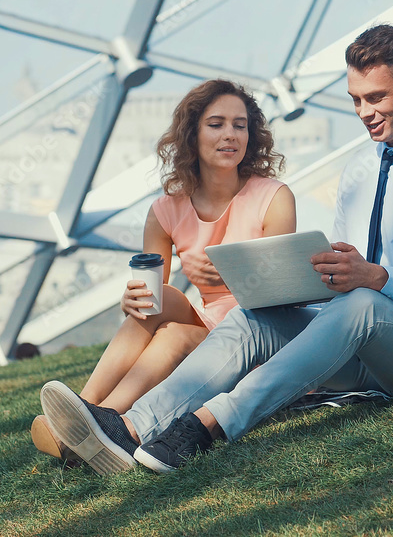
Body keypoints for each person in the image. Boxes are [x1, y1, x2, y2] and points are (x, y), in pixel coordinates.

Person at [39, 25, 393, 476]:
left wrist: (375, 276)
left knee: (364, 302)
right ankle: (130, 427)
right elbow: (345, 275)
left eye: (375, 97)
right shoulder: (361, 168)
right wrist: (306, 277)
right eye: (355, 99)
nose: (364, 112)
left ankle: (211, 423)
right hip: (356, 351)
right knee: (250, 319)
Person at [30, 79, 297, 462]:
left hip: (256, 332)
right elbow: (151, 299)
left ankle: (96, 421)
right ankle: (84, 411)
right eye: (216, 124)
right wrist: (133, 299)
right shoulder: (165, 210)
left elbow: (281, 293)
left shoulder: (273, 197)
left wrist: (234, 272)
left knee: (172, 336)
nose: (230, 135)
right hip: (208, 322)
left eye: (240, 125)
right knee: (161, 298)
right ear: (192, 135)